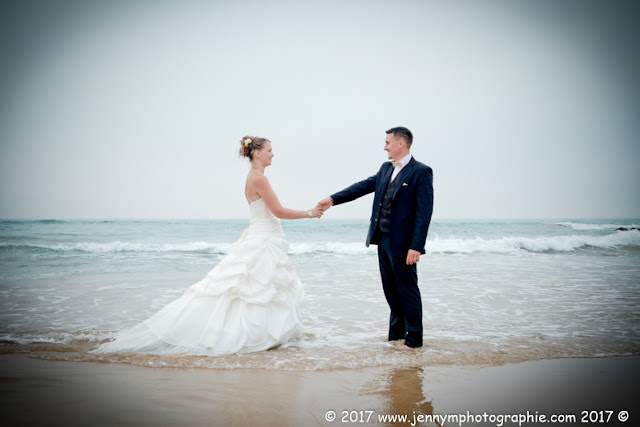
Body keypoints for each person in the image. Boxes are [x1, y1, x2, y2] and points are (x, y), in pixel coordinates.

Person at [92, 136, 323, 356]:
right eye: (270, 150)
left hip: (264, 237)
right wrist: (310, 213)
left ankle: (263, 335)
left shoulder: (253, 177)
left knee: (256, 289)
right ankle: (252, 337)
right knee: (255, 288)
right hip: (263, 240)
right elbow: (278, 211)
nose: (273, 154)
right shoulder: (258, 178)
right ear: (257, 152)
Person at [317, 127, 433, 348]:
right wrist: (332, 199)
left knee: (407, 291)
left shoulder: (421, 171)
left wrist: (416, 246)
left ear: (401, 143)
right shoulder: (385, 168)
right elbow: (363, 186)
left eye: (388, 142)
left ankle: (414, 341)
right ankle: (396, 339)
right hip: (383, 239)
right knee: (391, 292)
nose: (385, 147)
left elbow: (424, 213)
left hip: (405, 244)